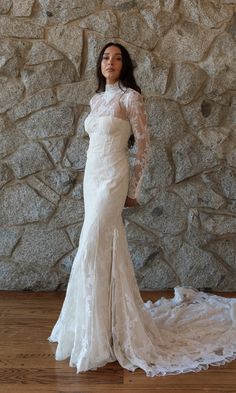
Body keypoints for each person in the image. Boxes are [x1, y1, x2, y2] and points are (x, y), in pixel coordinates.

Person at [48, 42, 236, 377]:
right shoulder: (95, 100)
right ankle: (101, 328)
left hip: (113, 179)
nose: (111, 62)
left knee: (91, 246)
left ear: (125, 65)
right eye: (106, 57)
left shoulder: (129, 98)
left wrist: (133, 190)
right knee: (102, 247)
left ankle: (99, 334)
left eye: (117, 58)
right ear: (99, 64)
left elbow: (144, 145)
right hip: (92, 180)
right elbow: (93, 146)